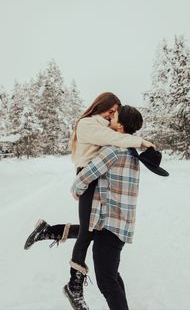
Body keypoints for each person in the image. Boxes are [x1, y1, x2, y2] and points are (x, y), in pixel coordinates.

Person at [24, 94, 155, 309]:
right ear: (100, 106)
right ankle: (71, 282)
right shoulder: (95, 129)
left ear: (120, 125)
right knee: (90, 234)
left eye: (115, 114)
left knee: (93, 242)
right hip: (121, 223)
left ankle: (67, 274)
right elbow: (114, 141)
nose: (111, 117)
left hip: (104, 209)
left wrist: (76, 189)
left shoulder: (114, 148)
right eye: (110, 111)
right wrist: (141, 142)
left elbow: (86, 176)